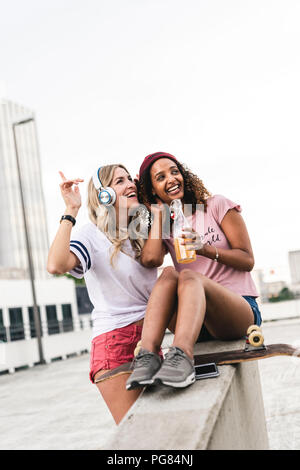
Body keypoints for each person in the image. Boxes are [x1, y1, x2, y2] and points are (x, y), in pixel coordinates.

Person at [47, 164, 179, 424]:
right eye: (120, 181)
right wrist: (71, 209)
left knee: (163, 429)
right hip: (115, 345)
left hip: (149, 342)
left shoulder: (141, 232)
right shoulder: (91, 235)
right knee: (140, 435)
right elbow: (56, 265)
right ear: (104, 196)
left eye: (130, 179)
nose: (130, 184)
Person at [126, 151, 262, 390]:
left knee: (188, 275)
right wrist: (158, 216)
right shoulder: (167, 225)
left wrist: (205, 249)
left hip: (237, 310)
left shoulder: (215, 205)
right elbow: (151, 260)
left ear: (184, 175)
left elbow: (247, 260)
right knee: (168, 273)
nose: (171, 179)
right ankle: (147, 355)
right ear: (153, 190)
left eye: (174, 171)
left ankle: (182, 356)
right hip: (196, 321)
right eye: (160, 177)